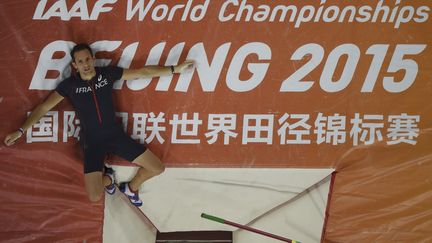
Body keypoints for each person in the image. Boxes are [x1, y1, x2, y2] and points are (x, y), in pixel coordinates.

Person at [4, 43, 195, 207]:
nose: (85, 64)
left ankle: (130, 188)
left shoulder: (107, 74)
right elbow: (44, 107)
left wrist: (174, 69)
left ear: (93, 59)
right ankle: (108, 179)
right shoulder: (69, 86)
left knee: (157, 168)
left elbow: (142, 72)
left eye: (87, 60)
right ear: (75, 65)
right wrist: (21, 131)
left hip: (115, 136)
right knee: (95, 196)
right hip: (92, 143)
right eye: (80, 62)